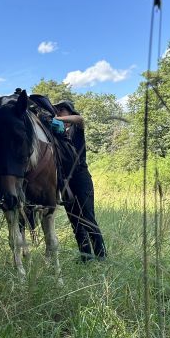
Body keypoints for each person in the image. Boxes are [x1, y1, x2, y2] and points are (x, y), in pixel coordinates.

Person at [53, 100, 107, 261]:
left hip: (81, 176)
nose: (58, 113)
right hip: (64, 180)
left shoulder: (77, 126)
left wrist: (55, 119)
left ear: (69, 111)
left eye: (61, 110)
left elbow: (80, 119)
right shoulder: (56, 132)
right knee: (74, 220)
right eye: (56, 111)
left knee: (88, 216)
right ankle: (86, 257)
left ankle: (101, 256)